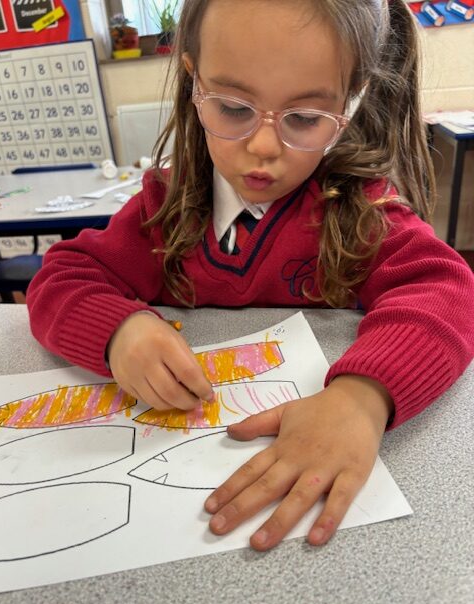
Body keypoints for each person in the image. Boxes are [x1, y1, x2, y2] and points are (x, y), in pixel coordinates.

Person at [27, 0, 474, 551]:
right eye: (234, 108)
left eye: (305, 118)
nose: (263, 147)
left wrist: (362, 399)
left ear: (350, 103)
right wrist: (119, 331)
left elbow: (447, 291)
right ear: (194, 82)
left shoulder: (362, 213)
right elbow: (64, 276)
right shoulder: (164, 209)